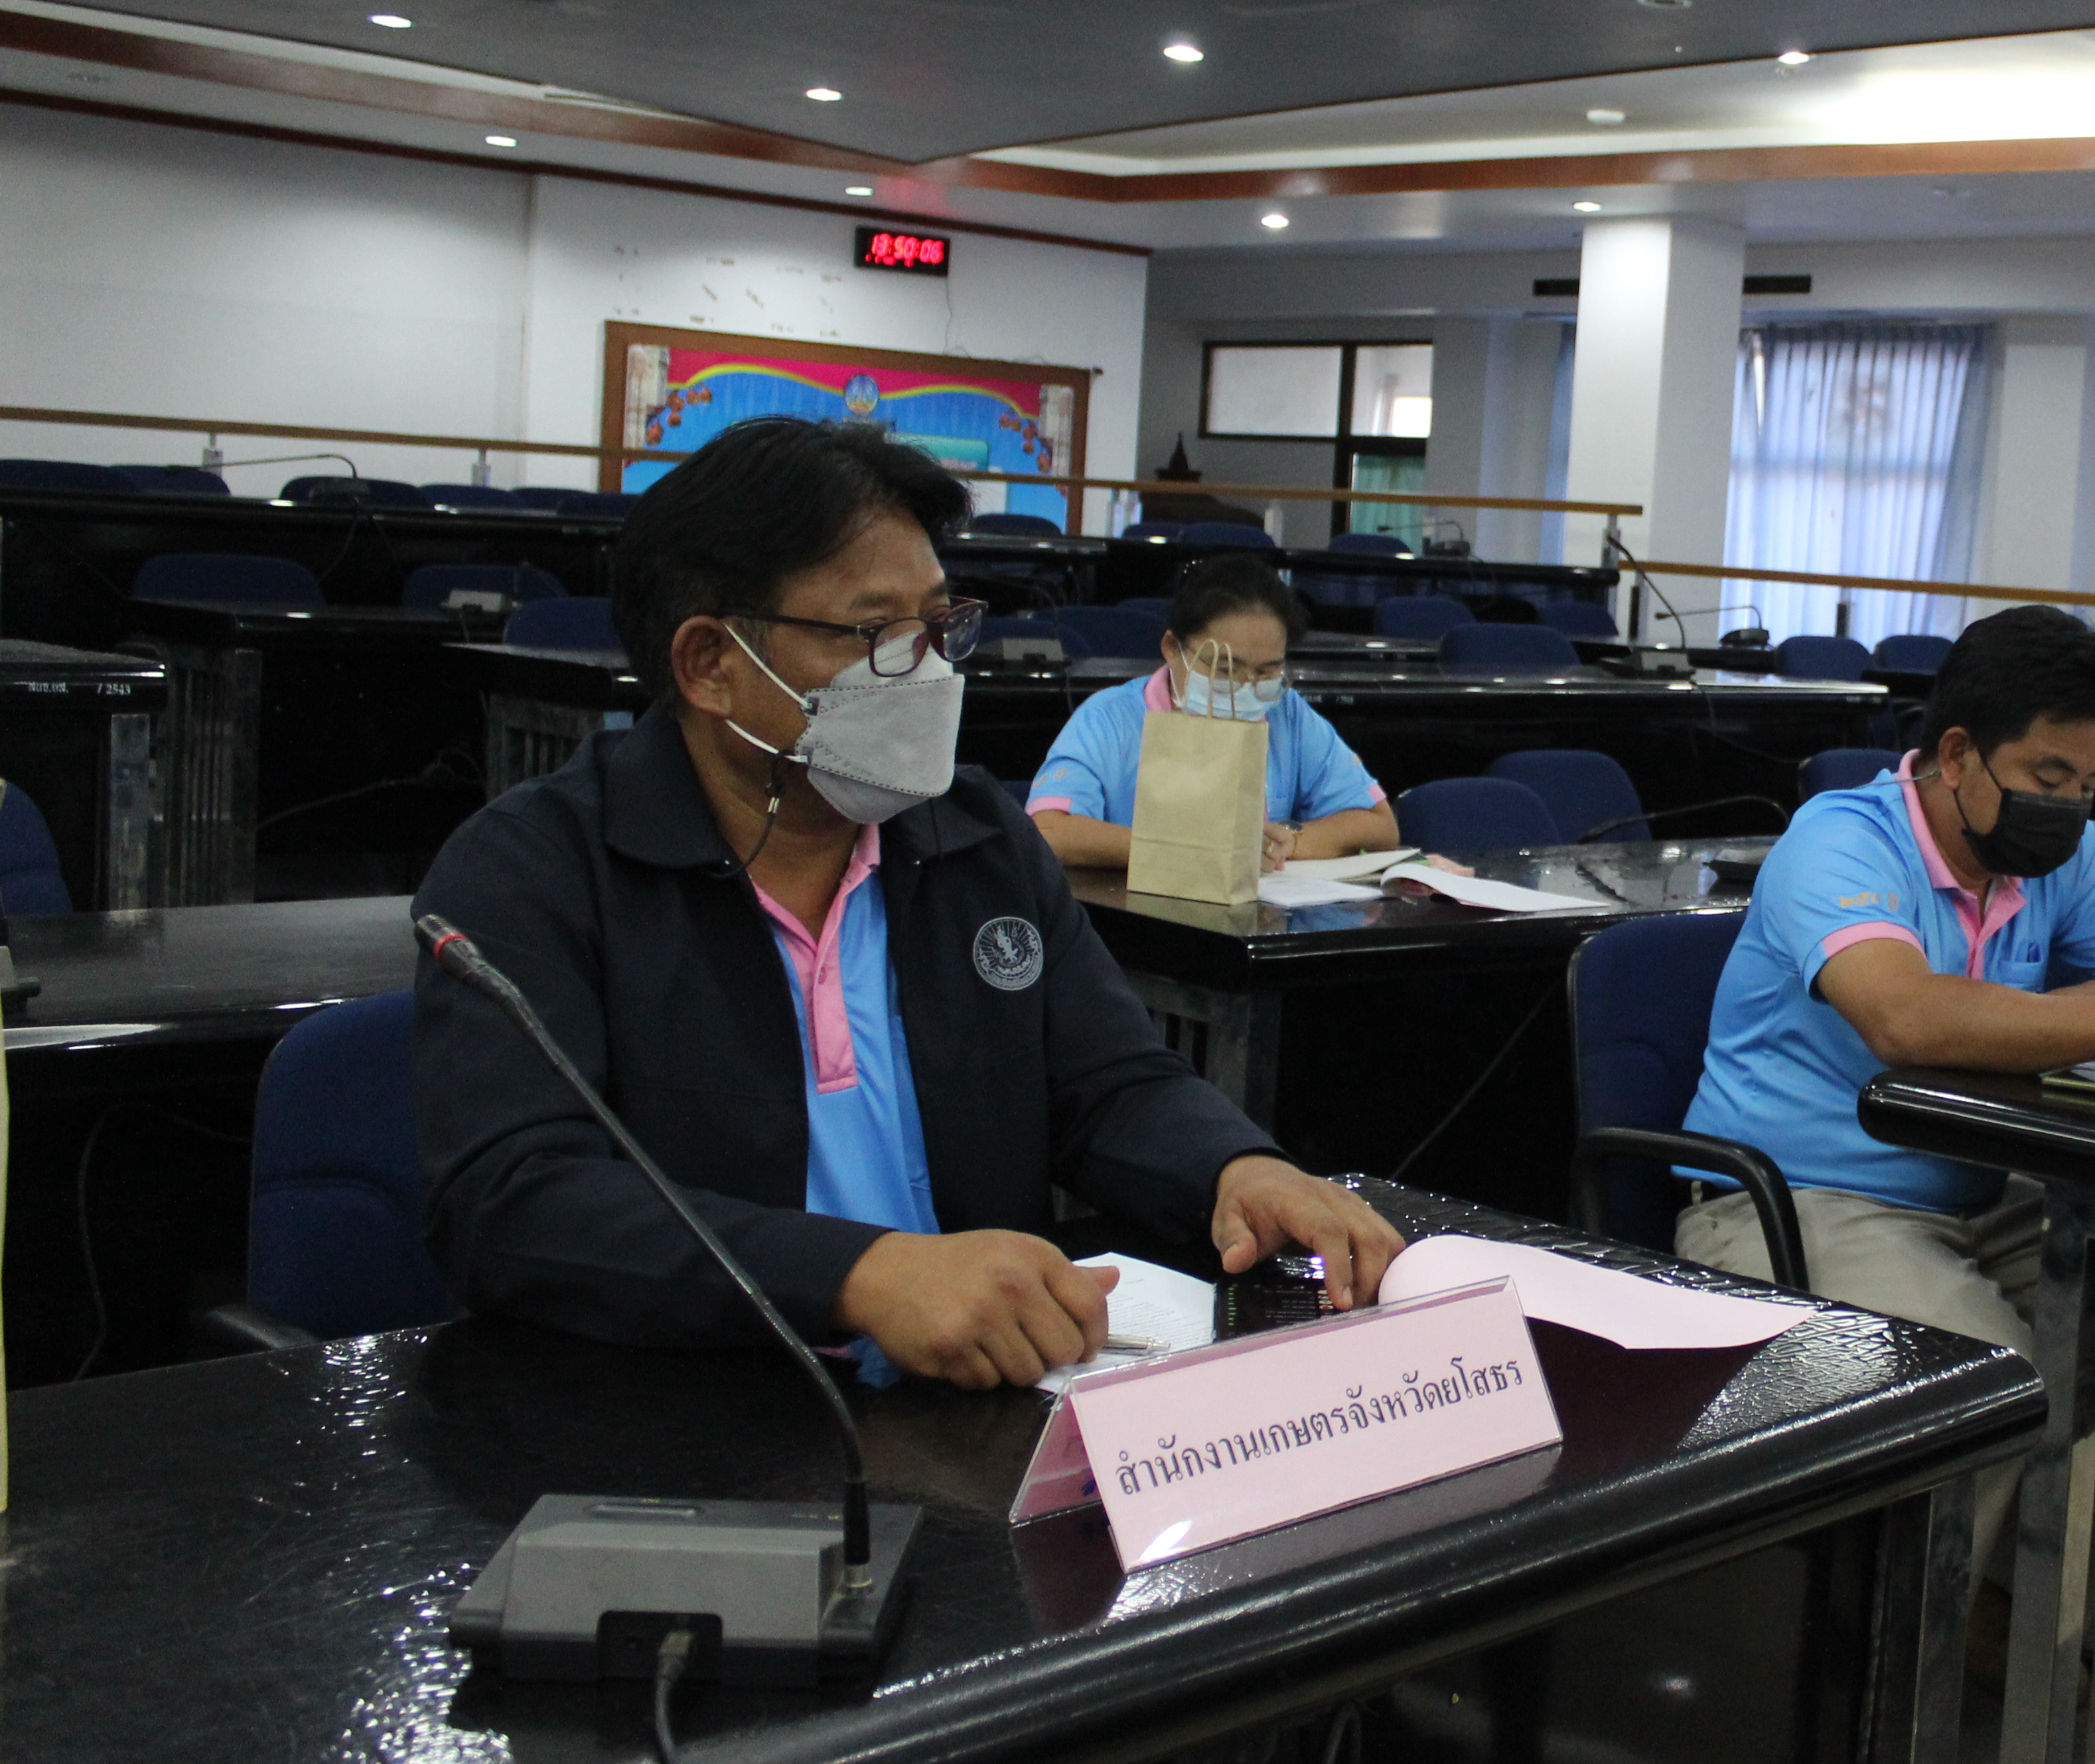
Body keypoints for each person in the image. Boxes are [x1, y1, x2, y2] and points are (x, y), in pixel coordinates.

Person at [412, 417, 1401, 1388]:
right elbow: (515, 1202)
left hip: (981, 1405)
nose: (926, 672)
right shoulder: (535, 871)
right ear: (711, 664)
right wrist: (858, 1275)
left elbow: (1110, 1084)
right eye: (876, 632)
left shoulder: (972, 837)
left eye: (938, 627)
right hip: (681, 1424)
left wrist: (1236, 1169)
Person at [1678, 605, 2095, 1576]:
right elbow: (1906, 1020)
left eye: (2091, 783)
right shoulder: (1843, 840)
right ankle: (1902, 1680)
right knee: (1990, 1377)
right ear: (1957, 755)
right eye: (2047, 778)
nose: (2071, 806)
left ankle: (2033, 1600)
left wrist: (2034, 1016)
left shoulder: (2058, 855)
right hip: (1794, 1197)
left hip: (1983, 1189)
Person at [1025, 555, 1401, 873]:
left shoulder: (1288, 714)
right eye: (1225, 669)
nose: (1246, 687)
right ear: (1172, 648)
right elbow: (1049, 833)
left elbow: (1378, 825)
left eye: (1267, 671)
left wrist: (1286, 842)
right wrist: (1190, 851)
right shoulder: (1110, 718)